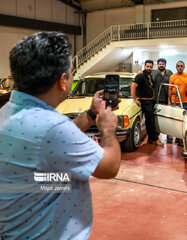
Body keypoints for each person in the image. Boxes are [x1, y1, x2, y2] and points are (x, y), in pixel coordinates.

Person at [0, 32, 121, 239]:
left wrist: (91, 114)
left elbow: (53, 140)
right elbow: (110, 166)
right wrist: (108, 129)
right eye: (71, 73)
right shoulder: (52, 127)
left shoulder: (9, 111)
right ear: (63, 80)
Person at [131, 60, 164, 146]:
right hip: (145, 101)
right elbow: (133, 86)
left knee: (149, 122)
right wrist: (134, 99)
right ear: (144, 66)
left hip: (151, 101)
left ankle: (150, 139)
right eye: (147, 66)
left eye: (150, 66)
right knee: (150, 121)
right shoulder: (140, 75)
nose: (149, 68)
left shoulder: (150, 75)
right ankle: (155, 139)